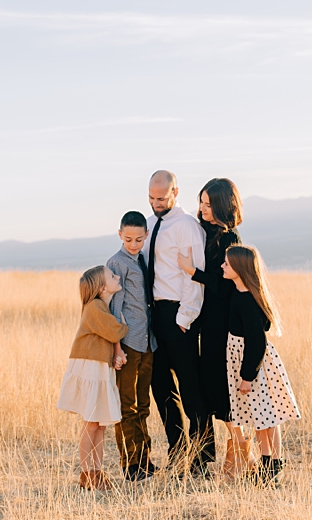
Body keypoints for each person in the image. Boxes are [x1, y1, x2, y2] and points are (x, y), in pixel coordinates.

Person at [143, 169, 212, 476]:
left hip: (180, 316)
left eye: (161, 198)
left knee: (190, 387)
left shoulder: (187, 226)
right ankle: (178, 449)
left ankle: (201, 457)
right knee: (160, 385)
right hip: (154, 314)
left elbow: (195, 275)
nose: (156, 203)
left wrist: (185, 318)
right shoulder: (148, 225)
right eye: (151, 198)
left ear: (175, 192)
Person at [177, 178, 246, 480]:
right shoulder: (200, 231)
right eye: (201, 202)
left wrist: (194, 273)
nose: (202, 208)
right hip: (204, 322)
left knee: (223, 393)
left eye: (208, 204)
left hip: (222, 325)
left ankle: (241, 458)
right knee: (211, 391)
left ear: (222, 205)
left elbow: (224, 287)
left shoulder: (231, 240)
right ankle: (230, 458)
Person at [222, 245, 300, 485]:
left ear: (239, 268)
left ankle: (270, 467)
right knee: (264, 416)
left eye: (226, 263)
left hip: (252, 365)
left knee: (263, 417)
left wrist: (247, 376)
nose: (222, 266)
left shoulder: (246, 301)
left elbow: (256, 341)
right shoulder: (240, 292)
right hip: (247, 361)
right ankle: (272, 463)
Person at [56, 265, 129, 491]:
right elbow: (116, 331)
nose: (117, 277)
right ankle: (87, 473)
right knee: (91, 424)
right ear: (101, 288)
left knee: (99, 425)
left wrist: (117, 351)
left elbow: (111, 334)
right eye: (112, 276)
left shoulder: (101, 307)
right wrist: (124, 324)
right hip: (91, 368)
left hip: (99, 368)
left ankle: (97, 472)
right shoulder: (95, 307)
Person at [106, 211, 158, 482]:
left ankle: (145, 460)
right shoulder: (117, 263)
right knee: (127, 406)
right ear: (120, 235)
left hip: (147, 342)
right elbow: (115, 309)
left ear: (146, 236)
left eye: (139, 239)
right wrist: (117, 349)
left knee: (144, 405)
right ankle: (130, 465)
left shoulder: (143, 260)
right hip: (127, 344)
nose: (134, 244)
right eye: (128, 239)